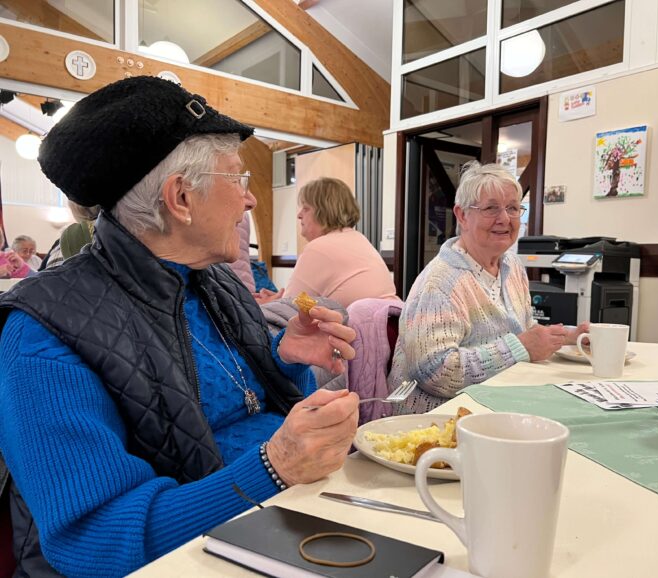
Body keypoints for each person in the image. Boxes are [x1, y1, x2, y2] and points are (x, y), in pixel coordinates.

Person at [0, 77, 359, 578]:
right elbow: (93, 539)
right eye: (238, 179)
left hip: (280, 524)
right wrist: (272, 468)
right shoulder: (42, 335)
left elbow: (248, 403)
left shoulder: (213, 284)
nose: (249, 200)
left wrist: (287, 360)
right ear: (182, 197)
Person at [389, 161, 588, 414]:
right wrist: (520, 348)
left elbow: (522, 331)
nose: (504, 219)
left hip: (496, 403)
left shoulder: (512, 267)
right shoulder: (439, 284)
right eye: (491, 208)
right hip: (438, 419)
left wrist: (570, 337)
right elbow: (435, 372)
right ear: (462, 215)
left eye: (513, 208)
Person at [284, 177, 398, 308]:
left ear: (324, 211)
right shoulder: (358, 239)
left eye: (306, 208)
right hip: (386, 323)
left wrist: (265, 304)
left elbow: (289, 309)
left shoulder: (319, 248)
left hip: (360, 326)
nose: (299, 215)